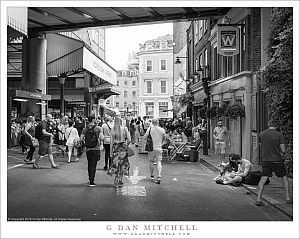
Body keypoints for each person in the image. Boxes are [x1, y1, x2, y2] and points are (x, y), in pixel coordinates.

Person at [256, 120, 292, 206]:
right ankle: (287, 198)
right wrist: (281, 152)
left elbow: (261, 146)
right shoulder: (279, 135)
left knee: (263, 179)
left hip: (265, 160)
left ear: (269, 125)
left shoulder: (261, 134)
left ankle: (258, 199)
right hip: (277, 160)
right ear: (276, 126)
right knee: (284, 177)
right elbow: (283, 150)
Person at [108, 116, 131, 189]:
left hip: (116, 148)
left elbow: (111, 142)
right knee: (122, 165)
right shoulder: (125, 129)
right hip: (123, 148)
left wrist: (110, 151)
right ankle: (120, 180)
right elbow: (129, 139)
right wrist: (126, 145)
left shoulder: (113, 129)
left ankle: (116, 179)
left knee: (116, 165)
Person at [81, 114, 103, 187]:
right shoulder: (98, 128)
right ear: (93, 120)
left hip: (88, 149)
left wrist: (85, 142)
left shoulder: (85, 129)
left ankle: (90, 178)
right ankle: (92, 181)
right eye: (95, 118)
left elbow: (81, 139)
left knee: (89, 164)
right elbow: (102, 137)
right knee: (94, 165)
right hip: (96, 148)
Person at [143, 118, 166, 184]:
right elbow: (165, 139)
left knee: (151, 161)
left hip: (151, 148)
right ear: (158, 122)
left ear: (152, 123)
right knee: (159, 162)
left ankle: (152, 174)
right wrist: (161, 144)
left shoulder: (150, 129)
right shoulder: (162, 130)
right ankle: (159, 175)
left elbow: (145, 137)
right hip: (159, 148)